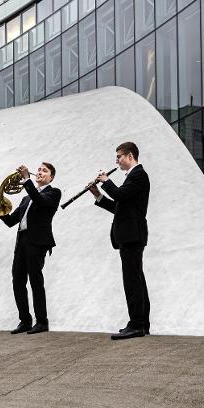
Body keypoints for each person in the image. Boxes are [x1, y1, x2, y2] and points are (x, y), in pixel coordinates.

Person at [88, 142, 151, 340]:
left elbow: (119, 195)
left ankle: (137, 324)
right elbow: (119, 207)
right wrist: (98, 195)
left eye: (119, 156)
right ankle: (141, 323)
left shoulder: (139, 175)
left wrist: (106, 181)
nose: (117, 161)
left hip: (133, 235)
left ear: (130, 156)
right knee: (136, 279)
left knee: (132, 281)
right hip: (129, 235)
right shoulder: (131, 178)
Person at [0, 163, 61, 334]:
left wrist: (26, 179)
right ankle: (25, 321)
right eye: (39, 170)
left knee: (35, 281)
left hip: (38, 242)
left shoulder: (53, 193)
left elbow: (40, 201)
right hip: (22, 241)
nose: (40, 172)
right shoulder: (26, 199)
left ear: (51, 177)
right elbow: (12, 221)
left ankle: (42, 322)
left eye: (44, 171)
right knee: (17, 281)